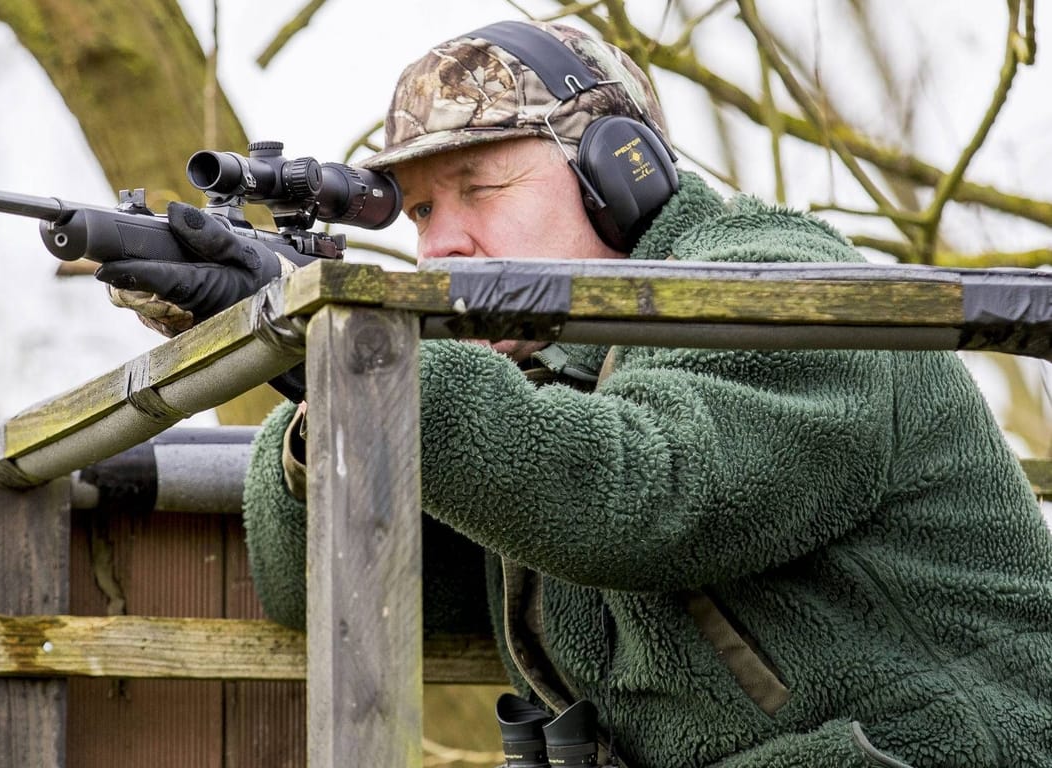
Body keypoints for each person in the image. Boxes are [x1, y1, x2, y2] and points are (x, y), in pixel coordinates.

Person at [96, 19, 1052, 767]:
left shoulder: (782, 288)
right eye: (424, 211)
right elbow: (342, 588)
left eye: (479, 187)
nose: (442, 246)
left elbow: (646, 495)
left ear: (617, 175)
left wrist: (372, 363)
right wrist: (318, 380)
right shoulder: (549, 369)